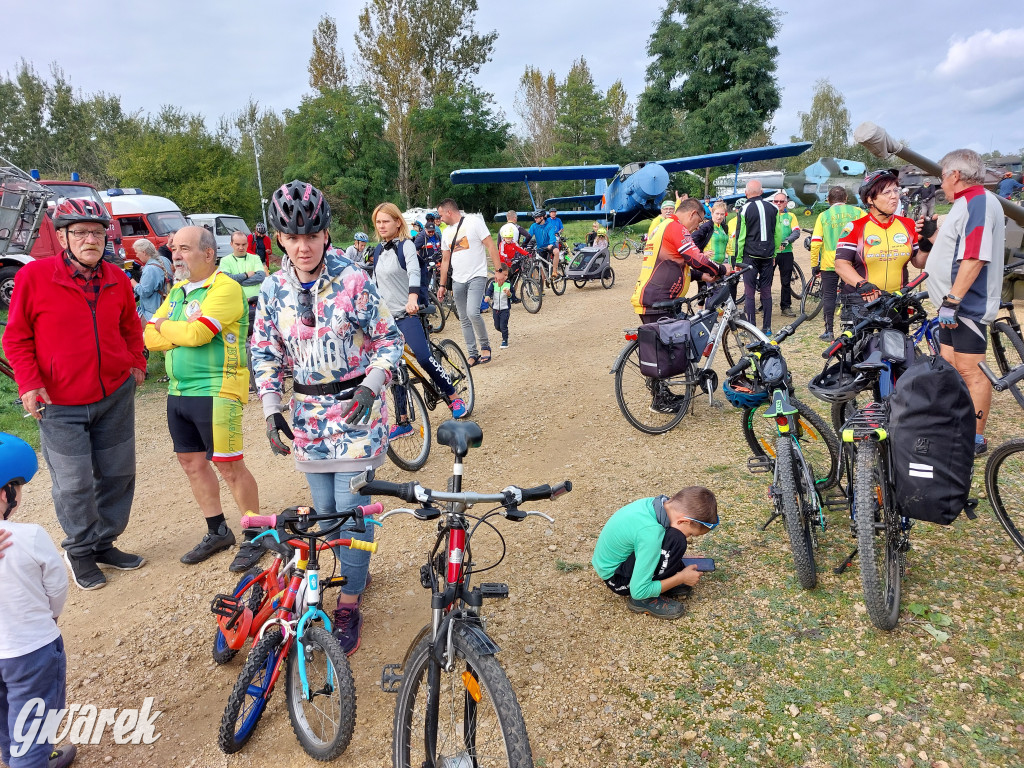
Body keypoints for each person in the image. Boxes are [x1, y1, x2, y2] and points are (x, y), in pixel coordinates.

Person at [253, 181, 402, 655]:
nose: (302, 246)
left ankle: (350, 601)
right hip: (309, 420)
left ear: (325, 233)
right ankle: (355, 567)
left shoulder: (354, 278)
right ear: (279, 238)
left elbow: (388, 340)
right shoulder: (273, 289)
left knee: (350, 515)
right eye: (292, 237)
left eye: (311, 236)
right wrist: (273, 409)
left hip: (356, 412)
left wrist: (371, 384)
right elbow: (265, 353)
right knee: (325, 517)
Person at [3, 198, 146, 592]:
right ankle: (80, 550)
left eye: (98, 232)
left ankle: (104, 544)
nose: (90, 239)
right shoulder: (35, 277)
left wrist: (136, 360)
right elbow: (16, 338)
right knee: (74, 482)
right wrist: (29, 383)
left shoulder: (116, 277)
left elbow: (131, 325)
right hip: (60, 402)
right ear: (63, 236)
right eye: (80, 232)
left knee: (119, 474)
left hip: (114, 394)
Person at [144, 226, 260, 569]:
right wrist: (168, 329)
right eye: (174, 248)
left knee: (229, 466)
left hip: (217, 389)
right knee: (192, 464)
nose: (175, 255)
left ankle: (256, 535)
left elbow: (197, 334)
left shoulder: (224, 288)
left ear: (208, 253)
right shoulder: (179, 290)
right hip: (178, 390)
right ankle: (218, 530)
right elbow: (147, 337)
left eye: (184, 248)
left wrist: (165, 326)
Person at [919, 149, 1006, 456]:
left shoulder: (978, 201)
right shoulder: (963, 204)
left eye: (943, 176)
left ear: (955, 175)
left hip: (966, 305)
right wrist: (929, 238)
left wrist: (953, 300)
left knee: (972, 372)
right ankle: (956, 423)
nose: (941, 183)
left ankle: (976, 439)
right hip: (952, 304)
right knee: (951, 367)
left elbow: (975, 256)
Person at [0, 433, 78, 768]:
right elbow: (57, 589)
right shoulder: (29, 536)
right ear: (8, 492)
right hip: (29, 650)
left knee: (5, 719)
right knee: (32, 729)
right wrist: (52, 618)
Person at [369, 201, 466, 436]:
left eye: (386, 221)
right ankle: (403, 422)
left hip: (407, 313)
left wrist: (412, 297)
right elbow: (373, 283)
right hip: (387, 320)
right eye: (378, 222)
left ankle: (453, 397)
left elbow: (413, 271)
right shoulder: (379, 250)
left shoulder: (407, 246)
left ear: (397, 222)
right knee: (392, 368)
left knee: (423, 357)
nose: (381, 226)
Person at [591, 486, 718, 620]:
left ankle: (661, 580)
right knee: (676, 541)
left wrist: (678, 559)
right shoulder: (651, 534)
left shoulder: (656, 505)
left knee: (672, 540)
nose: (688, 537)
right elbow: (638, 591)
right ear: (683, 521)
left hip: (611, 562)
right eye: (691, 534)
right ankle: (645, 601)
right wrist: (681, 578)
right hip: (616, 579)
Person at [835, 169, 925, 317]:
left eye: (896, 190)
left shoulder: (908, 224)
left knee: (898, 340)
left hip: (897, 300)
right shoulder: (855, 227)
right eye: (887, 192)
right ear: (870, 199)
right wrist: (862, 284)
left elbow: (919, 263)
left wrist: (926, 245)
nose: (894, 196)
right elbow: (841, 265)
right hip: (861, 301)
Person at [630, 198, 725, 325]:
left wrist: (701, 275)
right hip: (660, 300)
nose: (697, 227)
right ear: (692, 214)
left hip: (658, 297)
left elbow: (673, 264)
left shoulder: (666, 225)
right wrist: (722, 269)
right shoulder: (675, 227)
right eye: (699, 221)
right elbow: (696, 259)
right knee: (673, 343)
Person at [437, 199, 503, 366]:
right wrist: (442, 285)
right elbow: (445, 260)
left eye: (441, 215)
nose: (440, 219)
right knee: (464, 318)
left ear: (449, 212)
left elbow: (490, 245)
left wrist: (498, 270)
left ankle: (485, 346)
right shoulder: (445, 233)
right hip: (457, 279)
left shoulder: (474, 222)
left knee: (473, 312)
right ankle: (472, 353)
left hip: (477, 275)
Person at [809, 187, 864, 341]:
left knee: (829, 296)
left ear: (828, 200)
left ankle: (829, 331)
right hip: (852, 261)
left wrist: (815, 265)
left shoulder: (823, 216)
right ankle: (852, 328)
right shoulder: (858, 212)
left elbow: (815, 243)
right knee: (853, 294)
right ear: (846, 198)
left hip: (830, 262)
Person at [732, 180, 782, 335]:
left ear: (746, 193)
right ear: (761, 192)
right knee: (766, 290)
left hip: (750, 256)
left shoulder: (744, 209)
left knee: (749, 291)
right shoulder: (774, 208)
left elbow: (740, 237)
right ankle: (767, 328)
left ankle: (752, 327)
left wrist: (737, 260)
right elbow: (778, 234)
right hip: (767, 255)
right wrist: (774, 254)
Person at [772, 192, 801, 318]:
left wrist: (787, 240)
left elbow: (796, 232)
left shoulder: (791, 216)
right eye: (776, 201)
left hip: (786, 252)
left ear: (786, 202)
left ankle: (785, 306)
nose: (778, 203)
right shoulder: (770, 215)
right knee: (766, 281)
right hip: (771, 254)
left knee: (786, 281)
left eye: (781, 201)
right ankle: (764, 305)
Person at [132, 238, 173, 324]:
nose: (136, 256)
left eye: (136, 252)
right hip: (167, 307)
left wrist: (131, 280)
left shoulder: (150, 269)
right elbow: (158, 275)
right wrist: (139, 268)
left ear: (144, 252)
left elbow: (144, 292)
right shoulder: (163, 259)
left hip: (153, 311)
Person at [484, 265, 512, 349]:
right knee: (497, 326)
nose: (506, 277)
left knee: (503, 325)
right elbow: (489, 291)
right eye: (504, 274)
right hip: (496, 309)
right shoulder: (493, 284)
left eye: (507, 275)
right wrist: (487, 296)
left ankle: (505, 340)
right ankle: (505, 332)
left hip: (505, 309)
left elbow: (512, 296)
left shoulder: (508, 284)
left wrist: (509, 294)